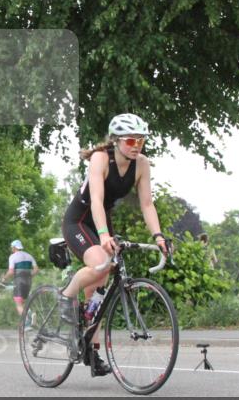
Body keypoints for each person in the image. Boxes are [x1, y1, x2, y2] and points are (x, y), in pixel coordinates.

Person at [59, 113, 168, 377]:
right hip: (79, 221)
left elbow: (147, 204)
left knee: (99, 289)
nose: (136, 145)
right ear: (116, 140)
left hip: (101, 222)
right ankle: (66, 297)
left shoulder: (141, 164)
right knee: (101, 262)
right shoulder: (100, 158)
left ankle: (90, 350)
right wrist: (104, 235)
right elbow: (96, 199)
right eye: (130, 140)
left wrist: (158, 236)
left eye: (140, 140)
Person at [0, 240, 39, 319]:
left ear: (14, 247)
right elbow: (36, 270)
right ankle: (30, 316)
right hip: (28, 282)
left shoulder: (13, 256)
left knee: (18, 304)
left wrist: (4, 278)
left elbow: (11, 271)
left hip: (19, 282)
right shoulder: (29, 256)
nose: (11, 249)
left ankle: (28, 320)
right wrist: (28, 276)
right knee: (23, 302)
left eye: (12, 247)